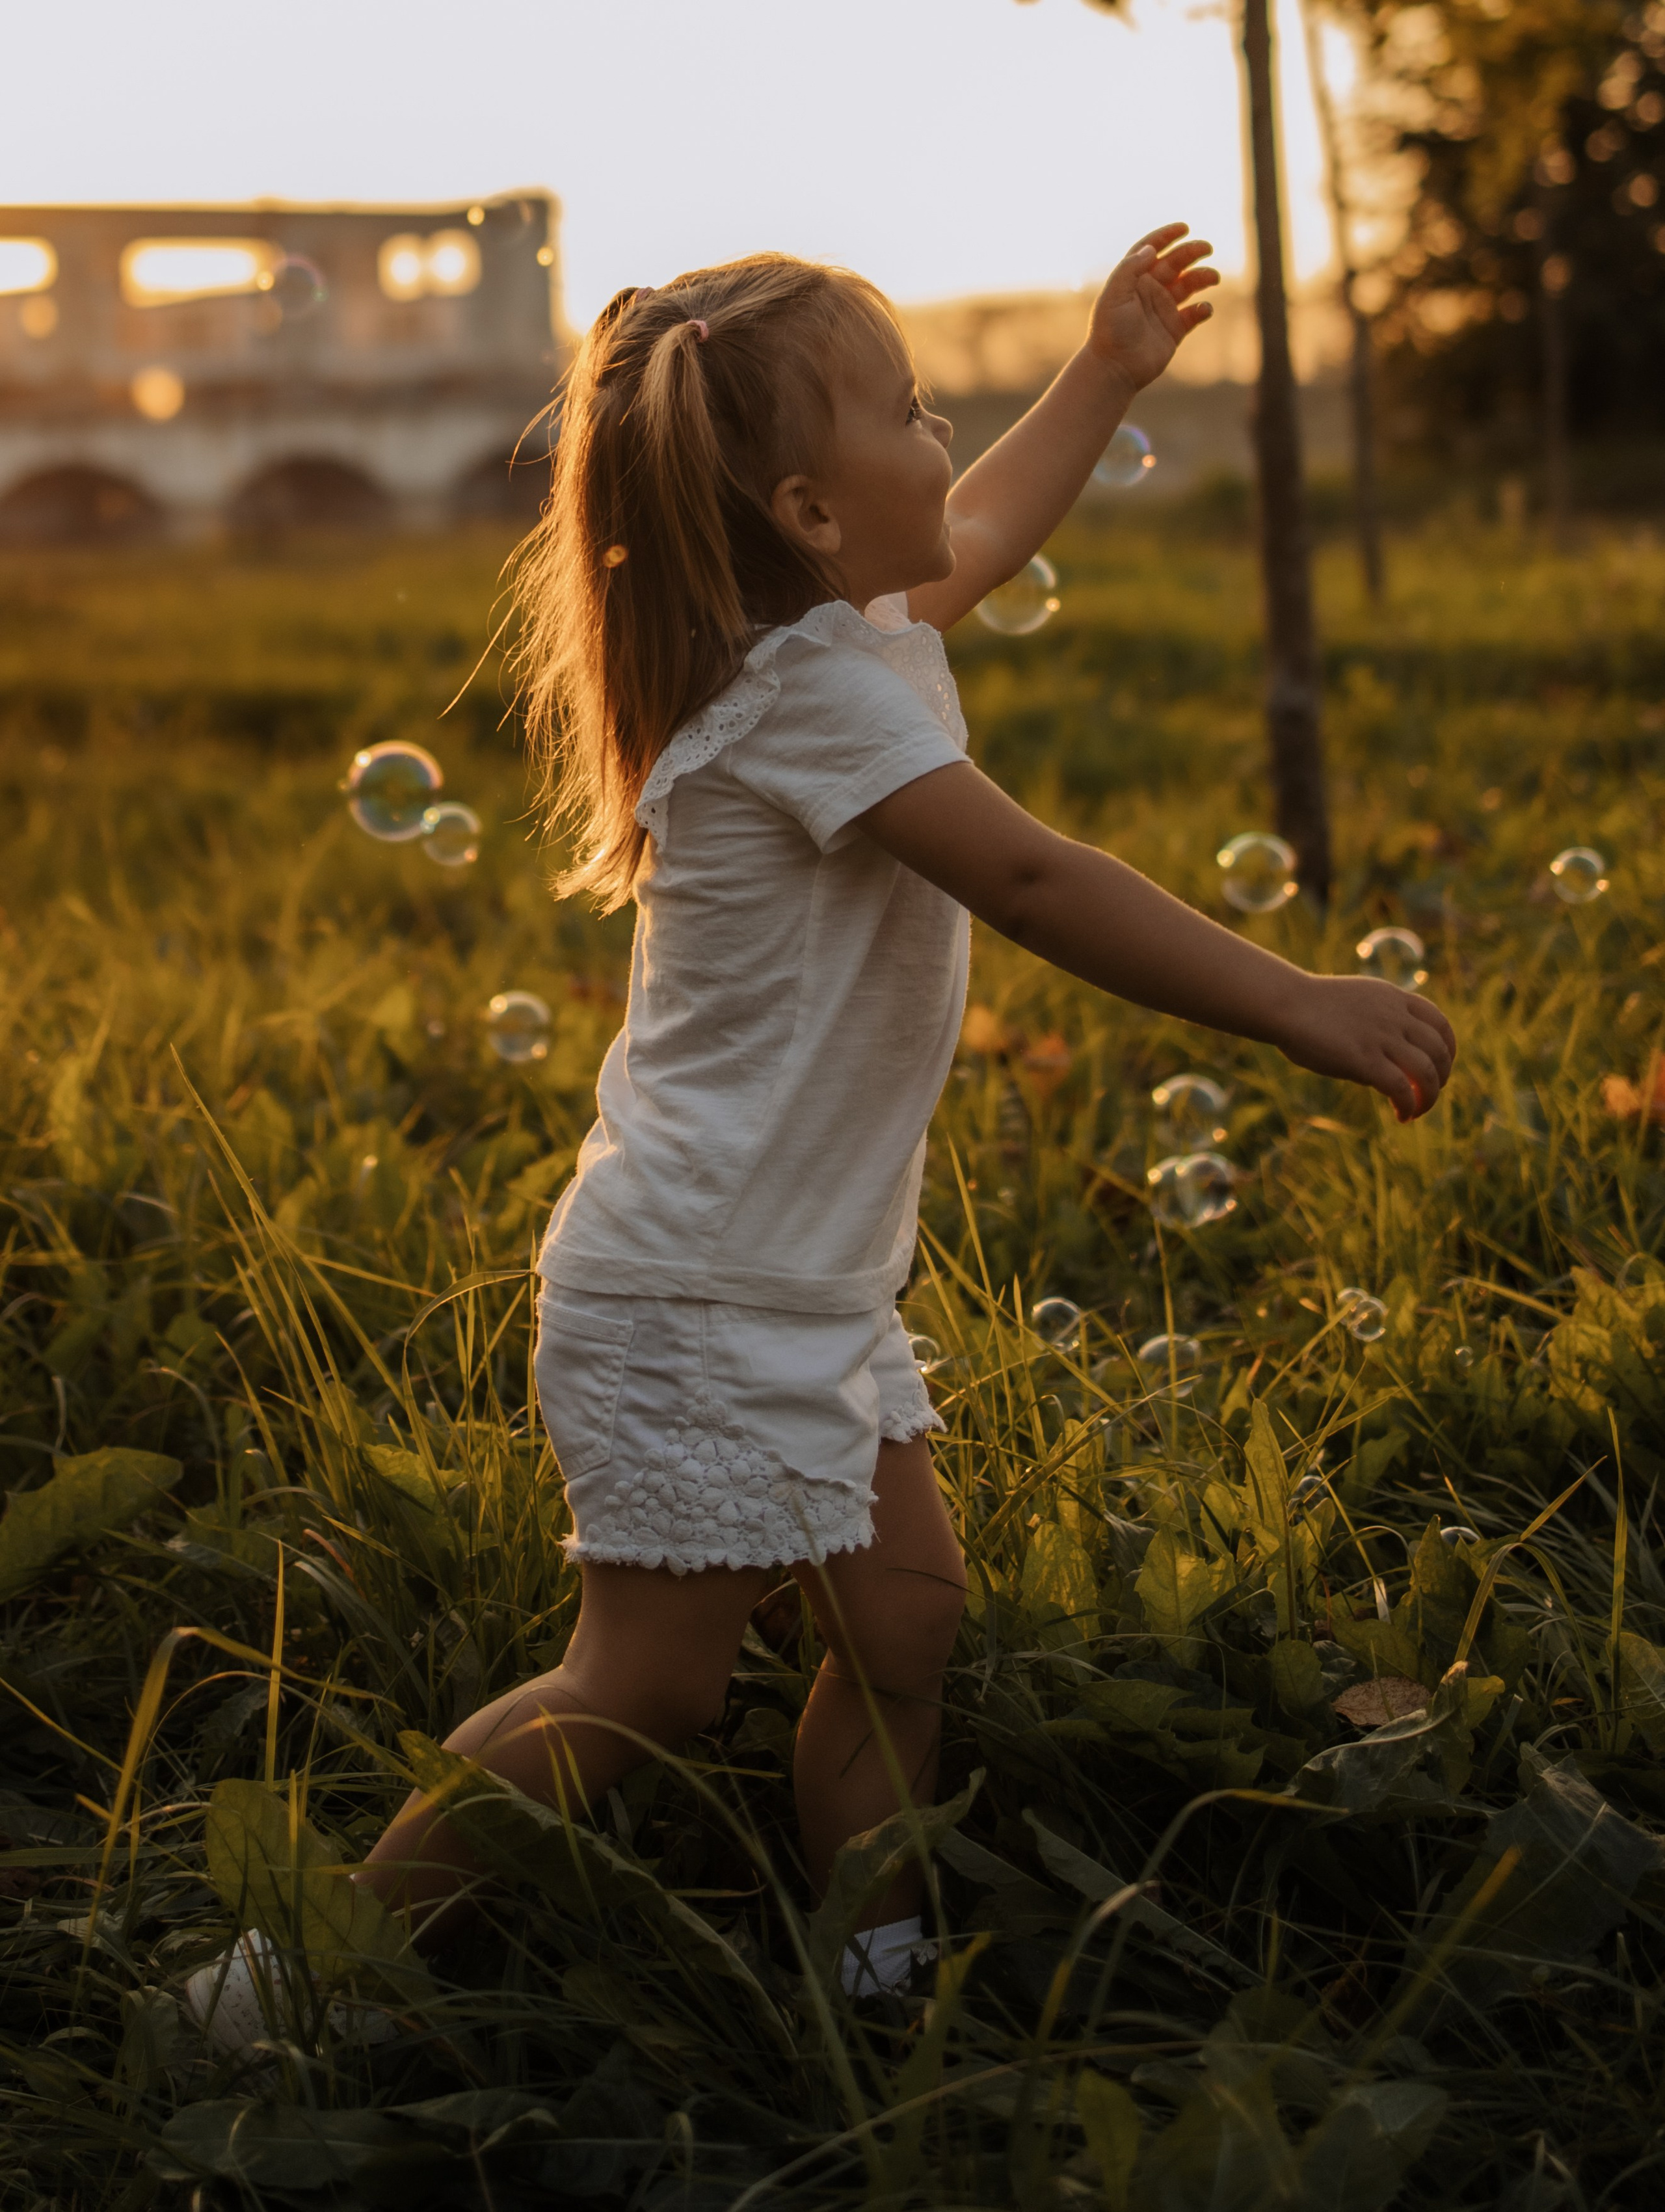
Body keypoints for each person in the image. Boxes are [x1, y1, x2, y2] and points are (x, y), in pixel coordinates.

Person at [188, 230, 1456, 2044]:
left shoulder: (836, 641)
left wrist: (1105, 369)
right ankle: (296, 1981)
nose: (946, 440)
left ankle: (879, 1979)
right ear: (807, 509)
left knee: (904, 1621)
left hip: (798, 1282)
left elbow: (982, 524)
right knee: (643, 1688)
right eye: (913, 411)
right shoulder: (807, 702)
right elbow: (1034, 877)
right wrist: (1292, 1001)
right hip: (697, 1292)